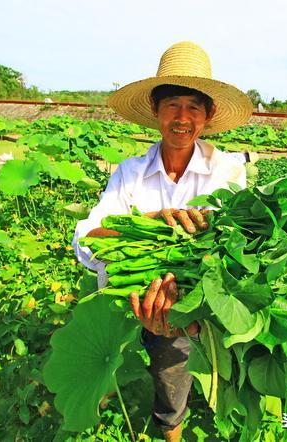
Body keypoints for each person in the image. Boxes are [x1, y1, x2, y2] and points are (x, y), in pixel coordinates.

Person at [72, 41, 252, 441]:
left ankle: (184, 417)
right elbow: (87, 238)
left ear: (209, 114)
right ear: (156, 111)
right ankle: (156, 421)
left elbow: (229, 246)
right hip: (133, 300)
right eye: (172, 104)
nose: (182, 117)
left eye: (193, 106)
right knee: (158, 352)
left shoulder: (226, 171)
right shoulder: (131, 173)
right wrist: (148, 221)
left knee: (177, 348)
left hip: (195, 305)